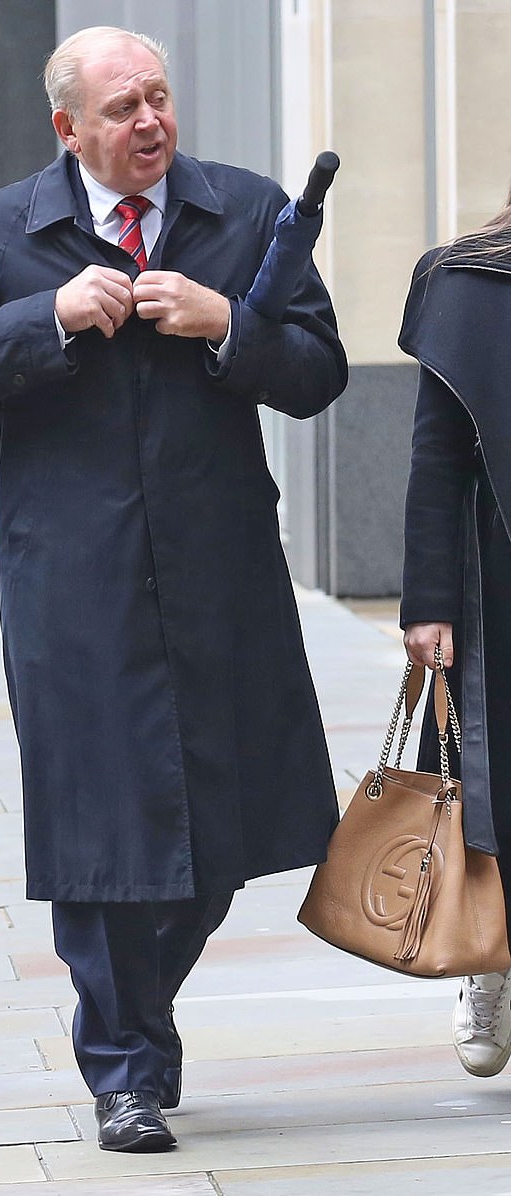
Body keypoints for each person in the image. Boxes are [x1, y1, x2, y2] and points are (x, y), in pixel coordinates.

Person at [0, 26, 347, 1152]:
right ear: (68, 130)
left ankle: (137, 1018)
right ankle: (125, 1070)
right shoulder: (4, 230)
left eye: (159, 98)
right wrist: (41, 318)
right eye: (122, 108)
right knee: (103, 828)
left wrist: (227, 324)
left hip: (221, 571)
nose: (150, 122)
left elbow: (318, 369)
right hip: (73, 582)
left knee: (224, 820)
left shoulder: (240, 211)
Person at [399, 190, 511, 1082]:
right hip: (496, 578)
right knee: (493, 785)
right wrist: (428, 600)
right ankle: (491, 961)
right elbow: (437, 456)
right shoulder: (465, 282)